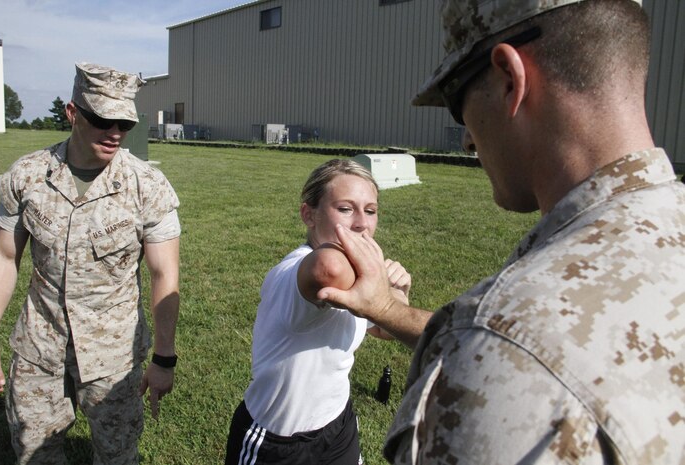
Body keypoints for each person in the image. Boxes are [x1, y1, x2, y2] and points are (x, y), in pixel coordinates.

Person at [316, 0, 685, 463]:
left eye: (457, 100)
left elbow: (516, 343)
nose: (468, 137)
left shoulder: (495, 353)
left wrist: (470, 340)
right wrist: (389, 310)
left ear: (510, 78)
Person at [0, 62, 181, 464]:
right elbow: (5, 257)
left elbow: (165, 275)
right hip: (40, 345)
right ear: (72, 112)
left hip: (113, 357)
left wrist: (164, 358)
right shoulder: (26, 177)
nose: (114, 133)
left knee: (116, 455)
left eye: (124, 124)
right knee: (31, 452)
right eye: (101, 119)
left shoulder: (148, 187)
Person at [224, 159, 413, 465]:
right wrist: (380, 281)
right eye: (345, 208)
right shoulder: (296, 270)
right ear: (308, 214)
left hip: (337, 423)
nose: (362, 224)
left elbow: (384, 329)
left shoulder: (359, 278)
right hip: (278, 439)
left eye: (370, 210)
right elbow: (329, 269)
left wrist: (398, 297)